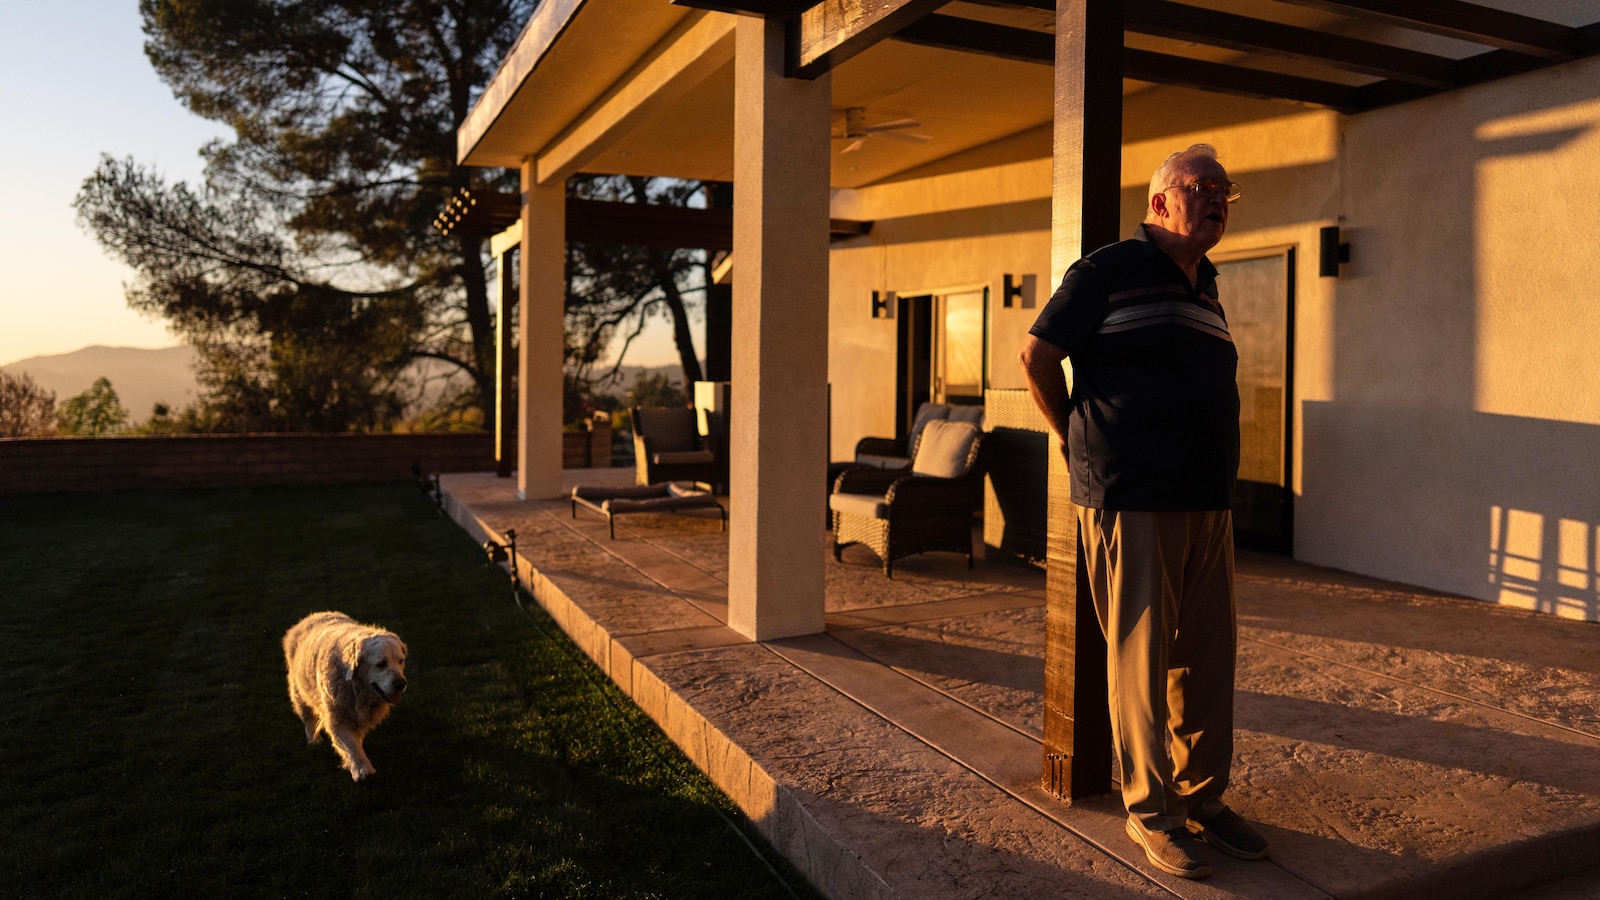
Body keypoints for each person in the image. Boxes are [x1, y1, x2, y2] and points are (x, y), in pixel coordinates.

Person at [1019, 144, 1268, 879]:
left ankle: (1203, 797)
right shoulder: (1107, 270)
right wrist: (1072, 439)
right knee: (1142, 662)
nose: (1218, 198)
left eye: (1226, 188)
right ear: (1161, 202)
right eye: (1203, 186)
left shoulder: (1208, 284)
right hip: (1132, 497)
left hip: (1207, 498)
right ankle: (1150, 813)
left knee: (1208, 659)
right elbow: (1036, 355)